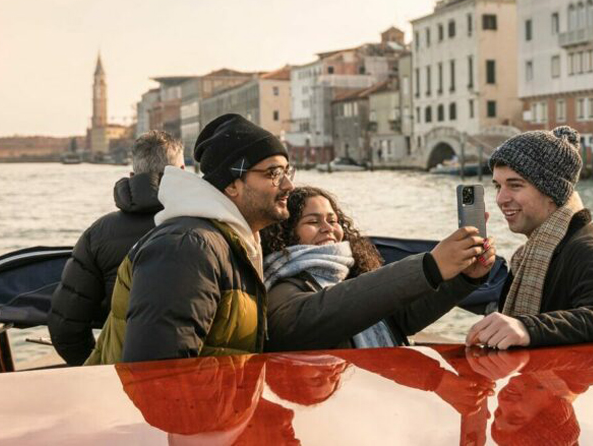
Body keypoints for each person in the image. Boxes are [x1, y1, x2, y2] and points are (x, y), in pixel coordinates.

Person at [86, 113, 293, 364]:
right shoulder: (186, 248)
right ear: (232, 185)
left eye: (287, 171)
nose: (288, 185)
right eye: (273, 173)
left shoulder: (235, 242)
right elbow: (157, 375)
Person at [466, 126, 593, 350]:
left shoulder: (589, 250)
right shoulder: (533, 254)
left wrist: (528, 328)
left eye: (515, 185)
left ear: (552, 192)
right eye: (498, 186)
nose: (501, 198)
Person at [262, 185, 494, 351]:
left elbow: (403, 319)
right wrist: (430, 266)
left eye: (332, 220)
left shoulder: (351, 273)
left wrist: (464, 278)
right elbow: (329, 311)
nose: (328, 229)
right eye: (313, 222)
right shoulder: (280, 288)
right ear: (284, 233)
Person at [48, 131, 184, 365]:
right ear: (182, 173)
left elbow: (65, 326)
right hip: (195, 374)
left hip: (120, 372)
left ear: (132, 176)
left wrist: (98, 366)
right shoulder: (208, 226)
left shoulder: (99, 233)